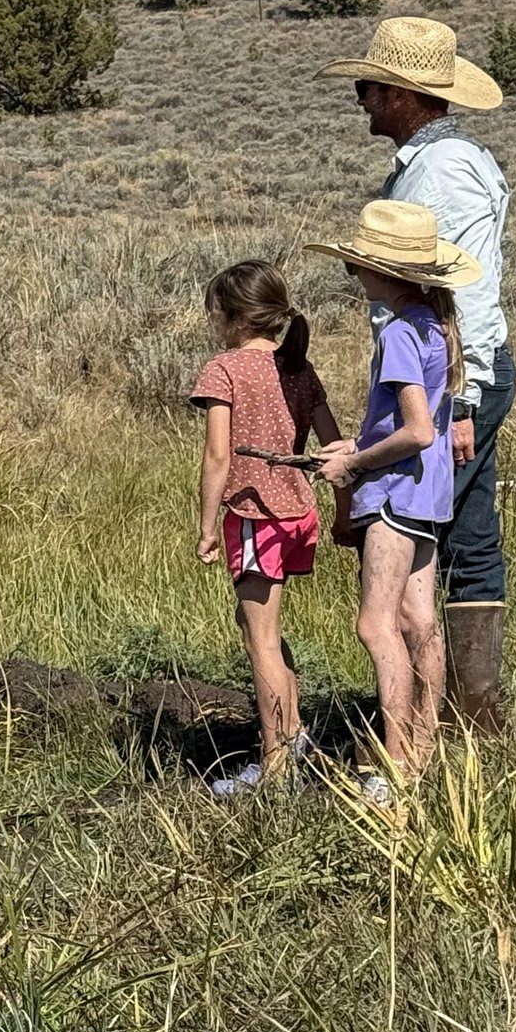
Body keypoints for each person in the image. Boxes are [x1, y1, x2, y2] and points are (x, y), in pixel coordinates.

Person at [320, 19, 510, 726]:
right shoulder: (449, 160)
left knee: (423, 543)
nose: (362, 100)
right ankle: (466, 720)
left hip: (456, 382)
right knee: (465, 532)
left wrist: (460, 399)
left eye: (369, 88)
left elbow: (471, 289)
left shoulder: (439, 169)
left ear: (403, 94)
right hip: (461, 377)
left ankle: (433, 728)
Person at [307, 201, 480, 791]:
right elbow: (418, 425)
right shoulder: (438, 326)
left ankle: (394, 760)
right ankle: (422, 756)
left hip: (393, 492)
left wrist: (352, 463)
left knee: (376, 625)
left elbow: (416, 429)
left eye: (359, 267)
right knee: (418, 620)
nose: (356, 277)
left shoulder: (402, 333)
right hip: (428, 495)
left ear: (386, 273)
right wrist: (358, 443)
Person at [191, 261, 341, 798]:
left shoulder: (224, 369)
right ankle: (293, 730)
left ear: (232, 318)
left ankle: (275, 766)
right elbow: (332, 445)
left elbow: (217, 456)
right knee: (261, 627)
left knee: (260, 640)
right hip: (300, 515)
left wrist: (207, 526)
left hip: (257, 517)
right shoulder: (298, 368)